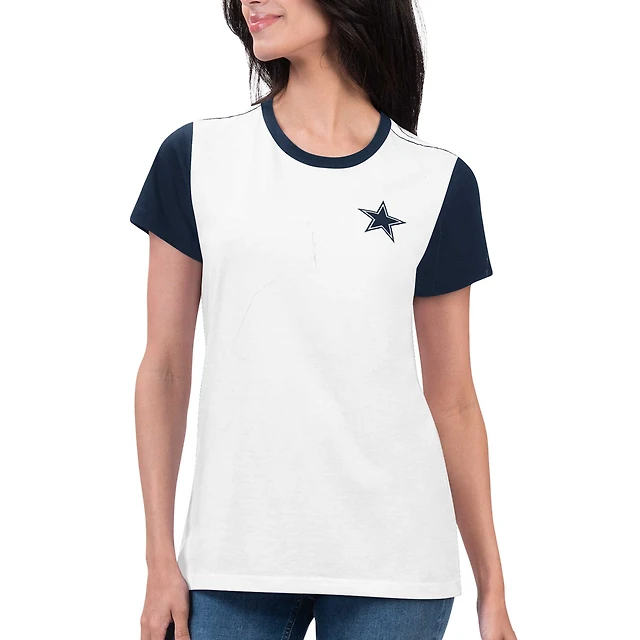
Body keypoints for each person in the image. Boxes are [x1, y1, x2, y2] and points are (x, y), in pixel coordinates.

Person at [129, 1, 518, 639]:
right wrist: (157, 561)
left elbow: (453, 399)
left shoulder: (437, 180)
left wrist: (492, 587)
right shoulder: (197, 156)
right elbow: (165, 369)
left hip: (397, 566)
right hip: (233, 559)